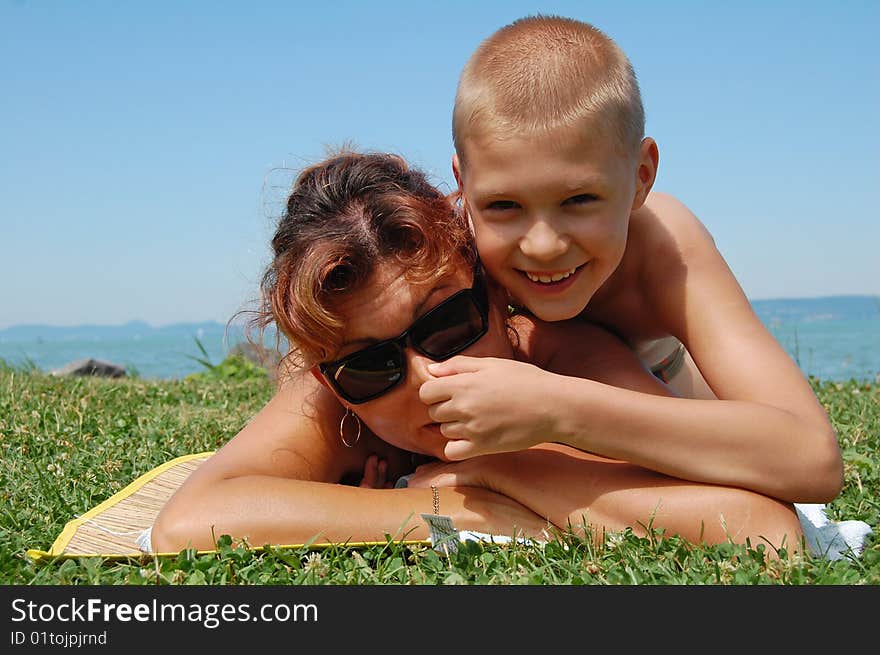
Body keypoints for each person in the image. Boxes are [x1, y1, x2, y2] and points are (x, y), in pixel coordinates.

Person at [150, 150, 803, 555]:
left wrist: (507, 467)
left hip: (682, 386)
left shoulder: (556, 354)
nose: (428, 378)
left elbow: (764, 531)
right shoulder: (336, 400)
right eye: (372, 364)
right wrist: (427, 507)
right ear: (330, 374)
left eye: (446, 325)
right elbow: (190, 520)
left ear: (493, 297)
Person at [416, 15, 843, 505]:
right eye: (503, 206)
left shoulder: (665, 248)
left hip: (677, 407)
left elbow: (812, 458)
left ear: (641, 176)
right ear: (463, 187)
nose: (543, 245)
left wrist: (558, 408)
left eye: (579, 200)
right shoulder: (447, 258)